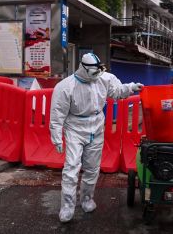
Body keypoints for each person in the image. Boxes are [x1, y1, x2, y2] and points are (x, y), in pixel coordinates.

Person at [49, 53, 143, 223]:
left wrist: (131, 87)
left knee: (92, 168)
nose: (96, 76)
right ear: (83, 69)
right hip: (75, 129)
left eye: (98, 72)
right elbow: (57, 114)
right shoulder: (65, 87)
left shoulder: (104, 78)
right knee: (71, 168)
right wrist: (56, 137)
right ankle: (68, 206)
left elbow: (117, 91)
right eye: (93, 73)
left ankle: (86, 199)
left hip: (97, 127)